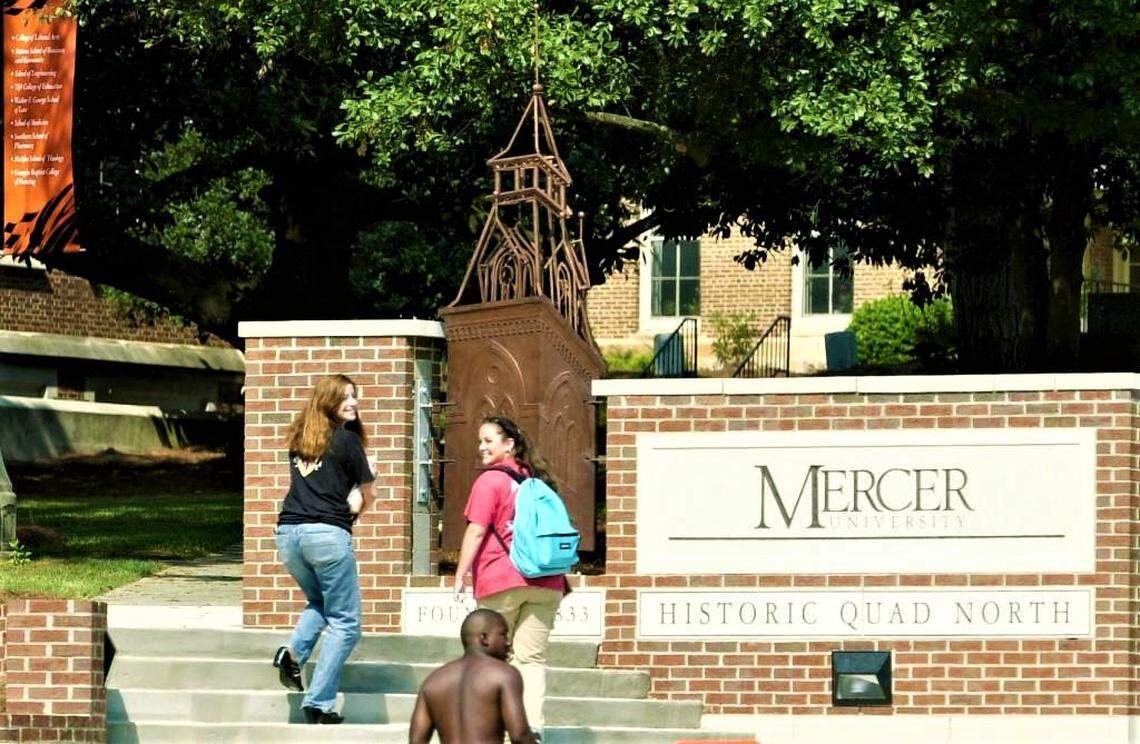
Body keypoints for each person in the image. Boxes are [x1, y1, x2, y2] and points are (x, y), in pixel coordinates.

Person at [271, 374, 374, 725]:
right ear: (328, 401)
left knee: (321, 603)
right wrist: (353, 510)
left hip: (288, 535)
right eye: (345, 397)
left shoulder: (300, 440)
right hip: (326, 536)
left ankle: (292, 652)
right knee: (346, 624)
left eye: (354, 397)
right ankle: (319, 701)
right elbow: (367, 493)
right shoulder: (346, 442)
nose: (353, 403)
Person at [453, 416, 566, 736]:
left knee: (491, 659)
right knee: (531, 660)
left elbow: (476, 532)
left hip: (500, 579)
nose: (481, 447)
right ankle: (530, 730)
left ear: (509, 444)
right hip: (546, 581)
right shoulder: (539, 479)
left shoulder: (490, 481)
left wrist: (461, 573)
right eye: (480, 441)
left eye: (489, 440)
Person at [408, 609, 539, 744]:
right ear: (484, 638)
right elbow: (520, 735)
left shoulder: (433, 680)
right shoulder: (503, 674)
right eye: (503, 634)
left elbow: (416, 741)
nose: (508, 643)